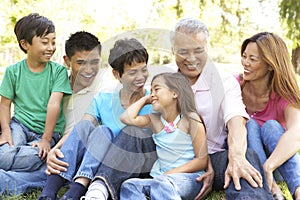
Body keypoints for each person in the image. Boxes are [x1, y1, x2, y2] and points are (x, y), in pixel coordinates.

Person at [85, 17, 274, 200]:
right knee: (133, 131)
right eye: (183, 51)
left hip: (212, 158)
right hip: (165, 155)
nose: (191, 58)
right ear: (173, 50)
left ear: (207, 49)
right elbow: (132, 90)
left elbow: (236, 123)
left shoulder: (224, 82)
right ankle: (100, 189)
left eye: (198, 50)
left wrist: (235, 156)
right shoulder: (161, 76)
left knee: (245, 156)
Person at [38, 37, 152, 200]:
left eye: (144, 70)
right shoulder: (103, 100)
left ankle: (78, 189)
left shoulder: (155, 101)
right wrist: (57, 148)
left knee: (131, 131)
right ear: (116, 74)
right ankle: (49, 193)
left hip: (132, 165)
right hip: (100, 162)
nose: (141, 77)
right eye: (133, 72)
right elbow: (80, 128)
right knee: (97, 130)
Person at [0, 30, 103, 196]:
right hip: (39, 143)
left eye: (94, 62)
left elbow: (81, 129)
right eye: (81, 62)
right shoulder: (55, 79)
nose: (89, 69)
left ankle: (6, 178)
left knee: (46, 170)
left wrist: (54, 149)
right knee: (20, 150)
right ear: (67, 61)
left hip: (69, 152)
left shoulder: (102, 90)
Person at [0, 13, 71, 173]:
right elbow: (4, 104)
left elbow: (54, 104)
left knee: (33, 155)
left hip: (47, 132)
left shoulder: (58, 72)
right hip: (20, 125)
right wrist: (5, 132)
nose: (51, 48)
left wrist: (46, 140)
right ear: (25, 44)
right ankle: (19, 164)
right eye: (45, 42)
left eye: (53, 42)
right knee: (5, 155)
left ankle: (16, 165)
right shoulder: (13, 72)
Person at [119, 72, 208, 199]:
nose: (152, 94)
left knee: (161, 184)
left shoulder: (190, 119)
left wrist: (169, 174)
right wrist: (145, 99)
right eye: (151, 91)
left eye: (157, 89)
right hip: (160, 179)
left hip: (189, 178)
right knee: (129, 185)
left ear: (174, 93)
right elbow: (127, 118)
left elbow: (202, 160)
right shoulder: (155, 120)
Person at [239, 32, 300, 199]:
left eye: (253, 59)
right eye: (245, 56)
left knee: (271, 126)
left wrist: (269, 166)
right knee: (249, 124)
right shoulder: (236, 86)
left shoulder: (284, 96)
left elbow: (297, 133)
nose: (246, 63)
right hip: (249, 161)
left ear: (270, 65)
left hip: (278, 165)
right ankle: (273, 190)